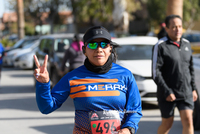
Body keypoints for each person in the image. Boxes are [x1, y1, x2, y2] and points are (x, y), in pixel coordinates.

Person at [33, 26, 142, 134]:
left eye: (104, 44)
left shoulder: (125, 75)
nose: (99, 49)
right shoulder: (73, 77)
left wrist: (129, 129)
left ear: (110, 49)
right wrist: (43, 84)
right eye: (93, 44)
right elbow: (46, 107)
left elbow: (134, 109)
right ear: (84, 50)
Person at [152, 15, 198, 134]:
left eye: (179, 26)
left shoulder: (187, 44)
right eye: (173, 27)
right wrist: (167, 91)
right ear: (166, 29)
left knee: (188, 120)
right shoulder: (160, 46)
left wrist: (193, 89)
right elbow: (155, 73)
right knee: (167, 124)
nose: (177, 29)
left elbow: (190, 69)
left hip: (186, 92)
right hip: (167, 94)